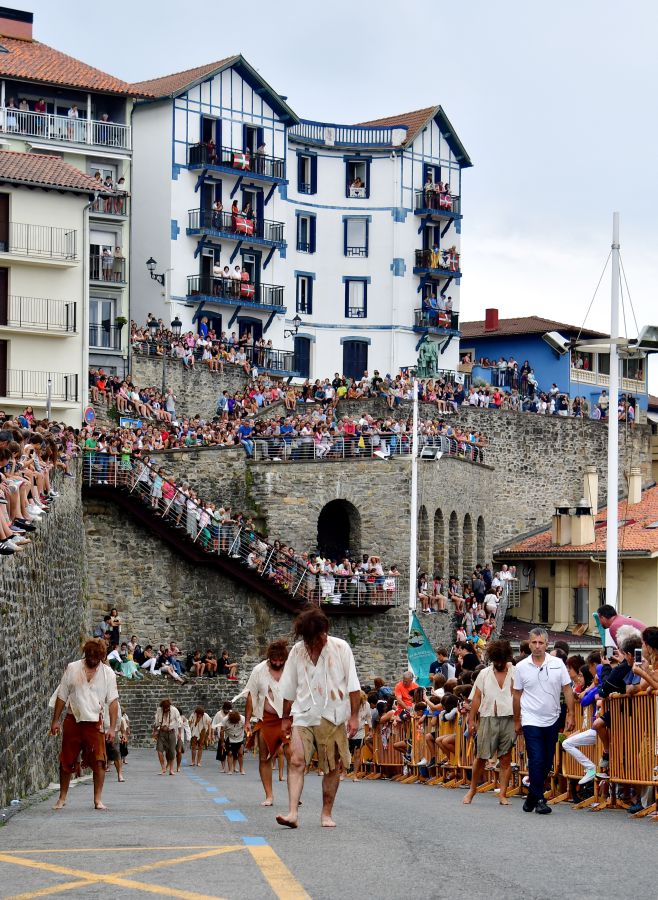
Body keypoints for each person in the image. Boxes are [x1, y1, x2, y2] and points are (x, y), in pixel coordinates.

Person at [276, 607, 360, 829]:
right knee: (296, 760)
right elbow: (288, 688)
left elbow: (353, 686)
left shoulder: (341, 647)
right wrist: (285, 718)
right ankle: (293, 812)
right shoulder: (297, 651)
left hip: (332, 714)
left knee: (332, 766)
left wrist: (354, 716)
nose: (321, 640)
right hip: (302, 713)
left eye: (323, 635)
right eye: (315, 638)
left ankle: (326, 813)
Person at [49, 638, 119, 811]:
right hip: (73, 719)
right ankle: (62, 797)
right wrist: (56, 720)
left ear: (102, 656)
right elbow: (62, 696)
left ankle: (97, 799)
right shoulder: (73, 668)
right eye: (90, 655)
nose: (93, 659)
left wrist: (112, 728)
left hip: (95, 722)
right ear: (86, 653)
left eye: (97, 656)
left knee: (100, 761)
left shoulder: (108, 673)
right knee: (66, 759)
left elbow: (113, 702)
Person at [513, 628, 575, 814]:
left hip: (552, 717)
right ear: (529, 643)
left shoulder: (557, 664)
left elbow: (567, 689)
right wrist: (517, 720)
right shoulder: (521, 667)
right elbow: (516, 695)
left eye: (541, 643)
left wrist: (571, 714)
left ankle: (532, 795)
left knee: (547, 761)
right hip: (531, 718)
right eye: (534, 642)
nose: (537, 646)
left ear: (547, 644)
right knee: (536, 757)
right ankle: (540, 799)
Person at [463, 640, 516, 805]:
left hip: (509, 717)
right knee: (481, 757)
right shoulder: (484, 673)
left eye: (501, 660)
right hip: (487, 717)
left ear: (506, 657)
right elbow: (477, 698)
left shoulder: (517, 672)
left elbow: (521, 695)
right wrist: (471, 720)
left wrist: (520, 720)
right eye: (496, 661)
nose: (499, 664)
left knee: (506, 758)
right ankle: (472, 790)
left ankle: (503, 794)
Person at [240, 639, 290, 806]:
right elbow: (251, 695)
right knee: (264, 758)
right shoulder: (259, 670)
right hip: (266, 719)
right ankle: (269, 796)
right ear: (269, 657)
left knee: (294, 756)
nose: (277, 663)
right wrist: (247, 721)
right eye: (274, 660)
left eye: (280, 660)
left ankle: (294, 794)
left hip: (288, 718)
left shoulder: (291, 669)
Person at [152, 698, 183, 775]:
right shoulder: (159, 710)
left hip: (171, 732)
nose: (166, 709)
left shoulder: (174, 710)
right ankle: (163, 767)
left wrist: (179, 733)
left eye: (167, 708)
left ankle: (171, 769)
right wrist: (155, 732)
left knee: (172, 751)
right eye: (164, 708)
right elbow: (156, 722)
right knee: (159, 750)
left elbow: (179, 721)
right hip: (161, 732)